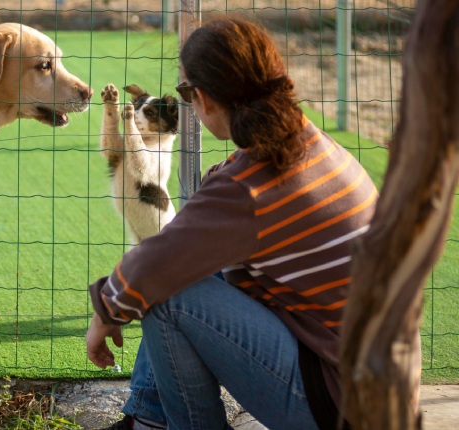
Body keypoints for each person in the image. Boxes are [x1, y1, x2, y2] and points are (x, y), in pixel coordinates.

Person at [86, 17, 381, 430]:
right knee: (195, 270)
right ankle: (148, 420)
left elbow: (158, 263)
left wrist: (104, 311)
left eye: (187, 92)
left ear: (204, 98)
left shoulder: (247, 185)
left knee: (167, 291)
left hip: (335, 404)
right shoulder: (309, 140)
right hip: (373, 381)